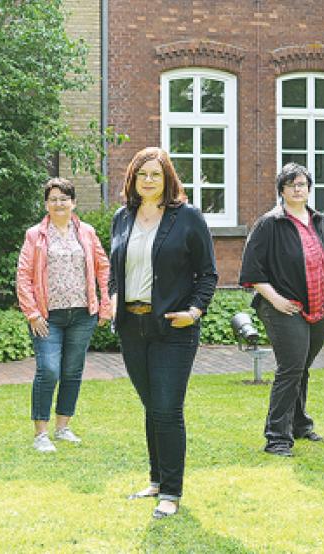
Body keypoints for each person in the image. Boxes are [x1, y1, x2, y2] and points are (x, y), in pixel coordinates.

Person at [109, 146, 218, 519]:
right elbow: (114, 269)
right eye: (143, 174)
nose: (149, 180)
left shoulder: (187, 218)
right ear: (133, 179)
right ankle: (156, 481)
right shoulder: (122, 218)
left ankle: (171, 492)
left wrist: (195, 311)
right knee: (151, 406)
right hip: (132, 326)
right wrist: (112, 297)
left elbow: (208, 273)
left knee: (168, 409)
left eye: (156, 174)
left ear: (168, 178)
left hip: (174, 327)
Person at [239, 163, 324, 457]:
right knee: (291, 368)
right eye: (292, 185)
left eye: (302, 184)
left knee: (302, 367)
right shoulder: (269, 224)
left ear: (310, 189)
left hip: (321, 307)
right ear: (282, 190)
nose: (298, 189)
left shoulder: (322, 222)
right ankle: (277, 437)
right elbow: (251, 269)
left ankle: (300, 424)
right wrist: (275, 299)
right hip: (282, 307)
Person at [16, 177, 112, 452]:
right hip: (48, 316)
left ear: (73, 202)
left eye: (64, 198)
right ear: (46, 204)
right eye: (53, 199)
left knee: (72, 371)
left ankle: (63, 427)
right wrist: (32, 313)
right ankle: (41, 434)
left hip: (82, 314)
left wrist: (105, 305)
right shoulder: (35, 235)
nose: (59, 203)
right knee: (48, 370)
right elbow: (23, 276)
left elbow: (104, 269)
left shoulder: (88, 233)